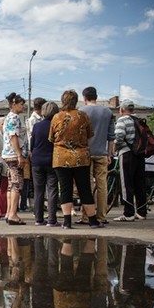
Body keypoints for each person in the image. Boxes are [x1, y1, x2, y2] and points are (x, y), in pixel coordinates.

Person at [49, 90, 103, 229]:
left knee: (65, 189)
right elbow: (90, 134)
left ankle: (67, 222)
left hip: (61, 158)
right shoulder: (82, 115)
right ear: (76, 101)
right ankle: (92, 220)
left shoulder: (57, 117)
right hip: (81, 157)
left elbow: (51, 138)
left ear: (62, 101)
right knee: (84, 188)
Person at [78, 86, 115, 224]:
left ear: (84, 97)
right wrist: (109, 153)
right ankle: (102, 216)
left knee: (86, 185)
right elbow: (111, 136)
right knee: (102, 185)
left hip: (85, 153)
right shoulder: (107, 111)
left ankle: (87, 216)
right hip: (102, 153)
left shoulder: (81, 111)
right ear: (96, 96)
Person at [113, 99, 148, 221]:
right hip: (140, 154)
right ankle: (142, 211)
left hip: (127, 154)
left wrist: (115, 149)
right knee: (140, 183)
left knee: (126, 183)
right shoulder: (139, 120)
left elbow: (118, 137)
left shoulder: (122, 120)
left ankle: (128, 213)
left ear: (122, 110)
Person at [30, 101, 60, 226]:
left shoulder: (37, 126)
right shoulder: (56, 125)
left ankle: (39, 219)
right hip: (52, 160)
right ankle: (52, 219)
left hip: (37, 161)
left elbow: (32, 144)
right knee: (52, 189)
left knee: (39, 190)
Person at [2, 93, 28, 225]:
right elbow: (13, 136)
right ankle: (13, 214)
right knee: (16, 185)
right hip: (13, 154)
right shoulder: (14, 118)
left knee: (11, 184)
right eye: (21, 104)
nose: (23, 106)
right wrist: (19, 154)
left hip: (8, 154)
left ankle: (9, 212)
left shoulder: (8, 118)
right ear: (14, 104)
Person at [20, 97, 46, 212]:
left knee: (38, 181)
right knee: (34, 181)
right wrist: (31, 152)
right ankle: (34, 205)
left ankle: (39, 204)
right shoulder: (33, 120)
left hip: (36, 151)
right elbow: (30, 137)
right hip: (35, 152)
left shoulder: (40, 119)